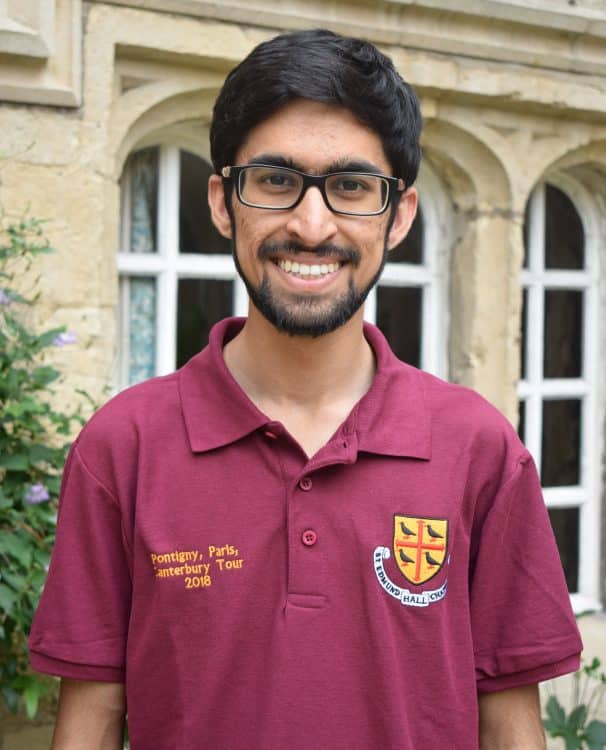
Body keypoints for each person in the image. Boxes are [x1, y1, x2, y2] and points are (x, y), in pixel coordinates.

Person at [30, 28, 582, 750]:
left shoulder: (477, 448)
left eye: (352, 187)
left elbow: (512, 725)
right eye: (276, 180)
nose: (311, 224)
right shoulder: (122, 447)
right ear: (225, 202)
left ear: (401, 216)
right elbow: (89, 723)